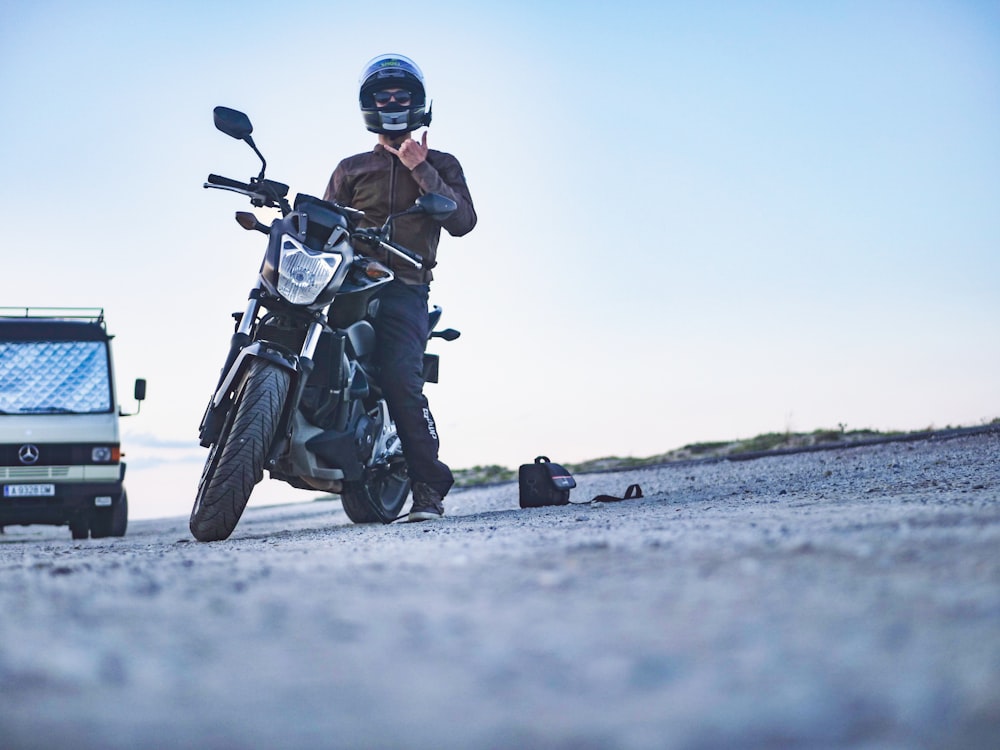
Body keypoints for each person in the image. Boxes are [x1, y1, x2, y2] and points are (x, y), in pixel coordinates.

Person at [324, 54, 477, 522]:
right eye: (382, 97)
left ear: (417, 103)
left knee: (399, 380)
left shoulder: (442, 164)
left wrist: (419, 167)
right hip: (348, 285)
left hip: (405, 288)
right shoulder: (350, 168)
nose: (391, 102)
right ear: (369, 106)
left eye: (401, 96)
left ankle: (427, 491)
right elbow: (326, 222)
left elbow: (463, 222)